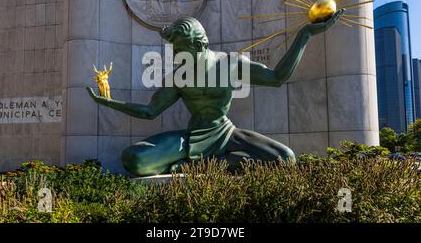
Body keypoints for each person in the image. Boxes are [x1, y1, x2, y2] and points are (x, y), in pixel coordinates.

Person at [87, 10, 345, 176]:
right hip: (191, 137)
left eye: (180, 49)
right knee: (134, 159)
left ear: (199, 44)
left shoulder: (231, 64)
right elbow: (149, 111)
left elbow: (277, 78)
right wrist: (109, 102)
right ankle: (210, 162)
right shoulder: (179, 75)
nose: (176, 55)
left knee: (285, 160)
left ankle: (207, 164)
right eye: (174, 50)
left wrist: (305, 35)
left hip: (226, 133)